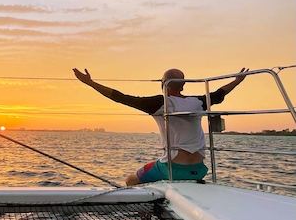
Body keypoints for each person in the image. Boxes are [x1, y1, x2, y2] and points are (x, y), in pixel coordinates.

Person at [73, 67, 248, 185]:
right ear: (184, 84)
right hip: (199, 169)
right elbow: (219, 93)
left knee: (131, 180)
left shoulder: (160, 103)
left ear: (163, 84)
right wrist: (238, 80)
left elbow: (120, 97)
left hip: (172, 170)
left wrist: (90, 83)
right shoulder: (199, 102)